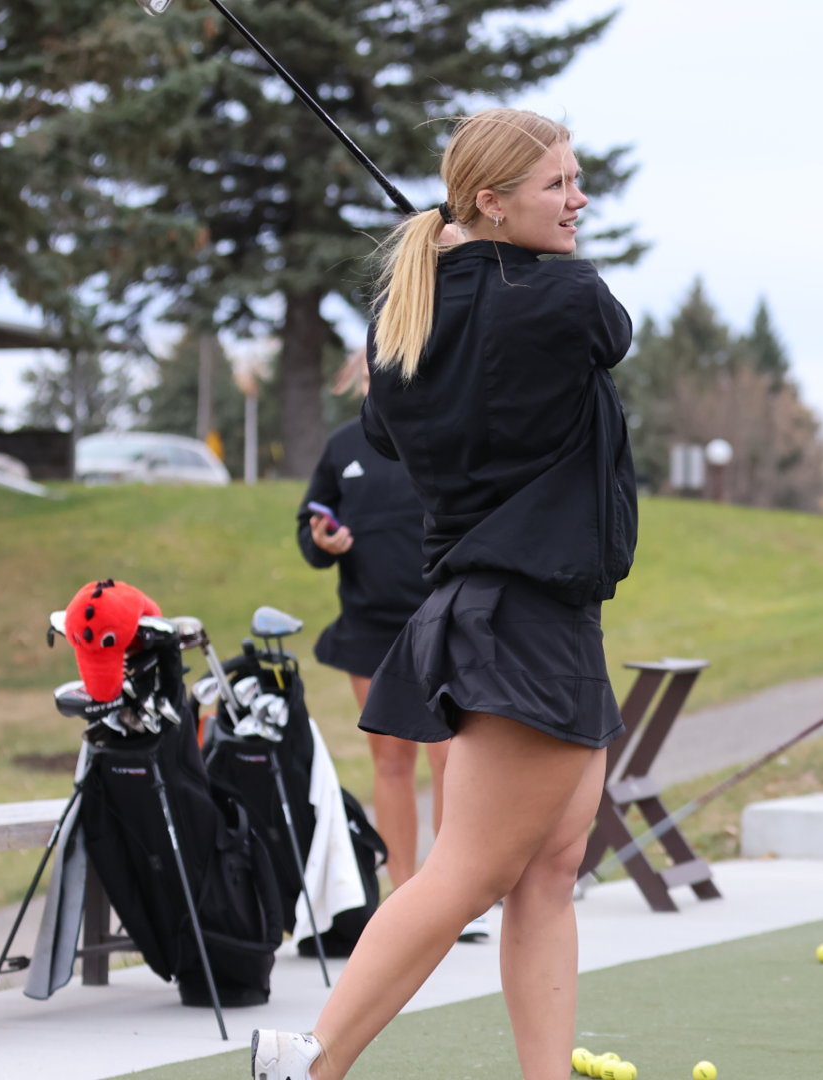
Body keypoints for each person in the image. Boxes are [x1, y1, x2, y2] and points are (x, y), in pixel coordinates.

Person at [252, 107, 636, 1080]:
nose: (579, 200)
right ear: (490, 200)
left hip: (496, 611)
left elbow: (385, 434)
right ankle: (308, 1062)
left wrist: (468, 254)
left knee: (546, 874)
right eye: (558, 184)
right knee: (464, 875)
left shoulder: (404, 326)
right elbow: (613, 332)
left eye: (576, 179)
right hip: (526, 617)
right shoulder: (566, 299)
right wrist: (486, 256)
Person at [298, 411, 485, 940]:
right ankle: (406, 896)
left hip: (446, 614)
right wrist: (321, 542)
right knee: (392, 758)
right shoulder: (341, 447)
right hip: (370, 626)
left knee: (452, 755)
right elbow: (310, 526)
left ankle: (456, 897)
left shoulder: (446, 426)